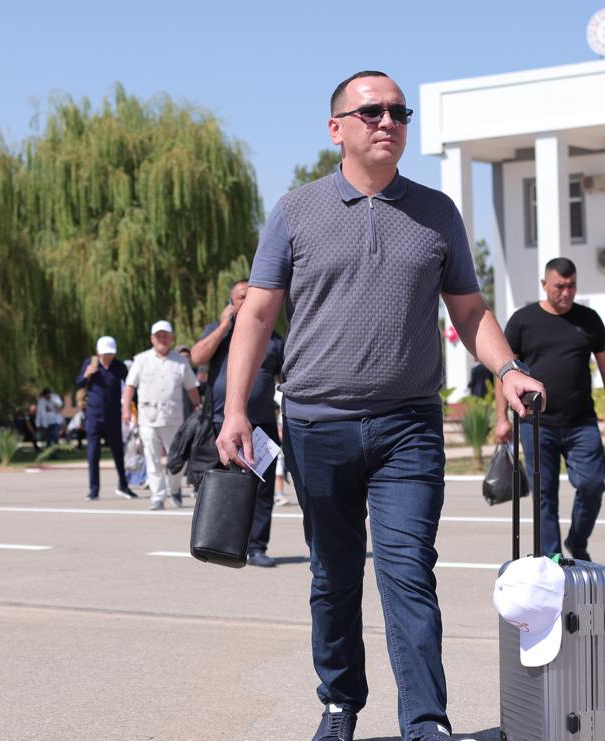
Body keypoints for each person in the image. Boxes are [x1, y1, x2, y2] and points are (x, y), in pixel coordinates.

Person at [216, 71, 543, 741]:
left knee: (407, 573)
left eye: (399, 110)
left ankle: (425, 720)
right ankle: (340, 703)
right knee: (333, 577)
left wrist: (507, 367)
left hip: (408, 428)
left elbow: (470, 310)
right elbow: (256, 314)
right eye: (371, 111)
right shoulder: (295, 210)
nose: (387, 120)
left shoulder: (437, 211)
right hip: (315, 425)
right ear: (337, 127)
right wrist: (234, 410)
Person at [496, 257, 605, 562]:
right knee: (544, 494)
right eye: (559, 286)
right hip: (535, 422)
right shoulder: (523, 320)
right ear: (544, 284)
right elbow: (504, 370)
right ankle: (553, 562)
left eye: (572, 286)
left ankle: (577, 541)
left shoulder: (588, 319)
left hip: (581, 422)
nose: (566, 292)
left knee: (592, 484)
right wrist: (501, 417)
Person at [190, 279, 285, 567]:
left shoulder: (273, 338)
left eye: (250, 296)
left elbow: (285, 378)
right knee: (216, 486)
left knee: (262, 489)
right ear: (231, 303)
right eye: (240, 297)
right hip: (223, 423)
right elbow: (197, 357)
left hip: (262, 425)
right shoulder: (220, 333)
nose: (246, 301)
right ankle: (213, 542)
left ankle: (256, 547)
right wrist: (222, 326)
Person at [124, 320, 200, 511]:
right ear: (152, 339)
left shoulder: (180, 362)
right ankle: (157, 497)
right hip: (147, 418)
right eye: (158, 336)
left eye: (166, 336)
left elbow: (192, 388)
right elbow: (130, 387)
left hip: (173, 418)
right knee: (152, 459)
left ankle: (174, 488)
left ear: (171, 338)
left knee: (177, 460)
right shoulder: (140, 360)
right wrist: (126, 409)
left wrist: (199, 407)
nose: (162, 339)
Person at [77, 336, 135, 501]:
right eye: (104, 353)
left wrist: (130, 409)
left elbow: (131, 386)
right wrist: (86, 374)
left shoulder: (119, 366)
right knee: (93, 453)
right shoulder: (91, 363)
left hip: (113, 416)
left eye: (110, 353)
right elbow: (78, 383)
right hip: (93, 417)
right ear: (98, 352)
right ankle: (93, 490)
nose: (107, 357)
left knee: (118, 452)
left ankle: (124, 486)